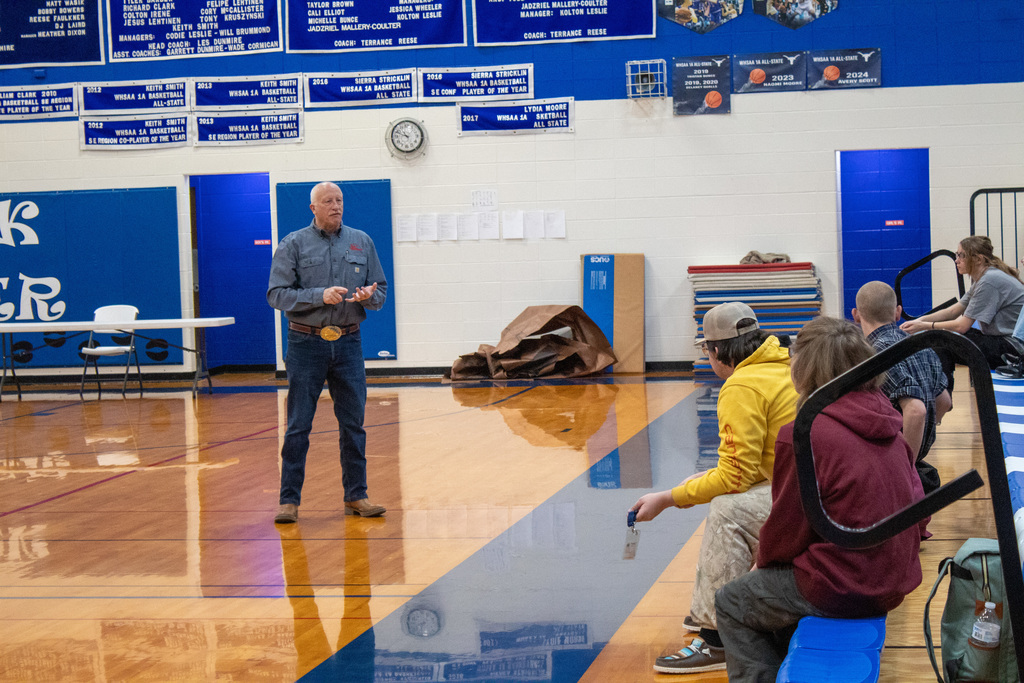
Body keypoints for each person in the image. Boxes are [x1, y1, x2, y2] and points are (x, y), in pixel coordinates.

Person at [715, 317, 925, 683]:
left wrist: (764, 564)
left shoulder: (805, 431)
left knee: (731, 602)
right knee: (771, 599)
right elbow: (917, 503)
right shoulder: (886, 414)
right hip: (894, 572)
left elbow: (787, 528)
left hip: (848, 583)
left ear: (804, 367)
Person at [629, 301, 798, 674]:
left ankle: (716, 637)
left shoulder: (741, 386)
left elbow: (736, 477)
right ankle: (721, 609)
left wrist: (669, 498)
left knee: (726, 509)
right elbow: (759, 462)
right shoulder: (786, 367)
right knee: (725, 493)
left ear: (716, 350)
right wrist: (700, 481)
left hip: (804, 503)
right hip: (818, 491)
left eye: (706, 350)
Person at [267, 181, 389, 523]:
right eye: (328, 201)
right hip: (306, 344)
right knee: (298, 425)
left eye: (339, 200)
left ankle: (357, 496)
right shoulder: (293, 244)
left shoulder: (361, 241)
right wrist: (318, 295)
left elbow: (380, 290)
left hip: (349, 344)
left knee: (354, 424)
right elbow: (276, 294)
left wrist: (369, 296)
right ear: (313, 208)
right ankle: (288, 501)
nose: (336, 206)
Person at [853, 281, 951, 493]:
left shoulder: (875, 357)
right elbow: (944, 401)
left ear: (856, 315)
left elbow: (916, 410)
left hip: (891, 463)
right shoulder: (922, 346)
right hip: (914, 455)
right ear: (898, 313)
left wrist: (905, 467)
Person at [900, 235, 1024, 391]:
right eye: (956, 254)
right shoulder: (983, 277)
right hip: (1004, 342)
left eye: (961, 255)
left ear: (978, 259)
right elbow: (952, 311)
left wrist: (925, 326)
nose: (956, 260)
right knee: (942, 337)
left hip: (1014, 351)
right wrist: (919, 321)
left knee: (942, 341)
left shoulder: (989, 280)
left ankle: (941, 397)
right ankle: (941, 397)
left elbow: (961, 326)